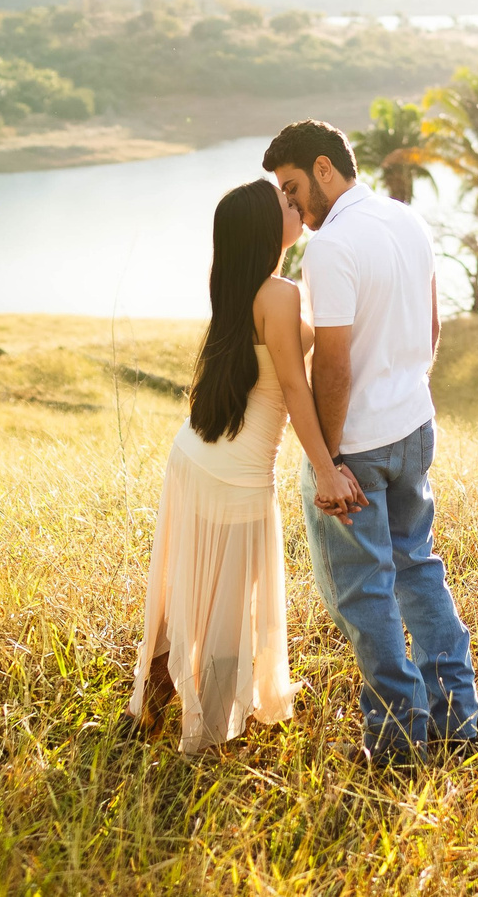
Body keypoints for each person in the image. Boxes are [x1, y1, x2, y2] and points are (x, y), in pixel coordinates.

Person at [267, 118, 478, 760]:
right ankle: (453, 717)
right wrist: (409, 389)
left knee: (364, 592)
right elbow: (433, 324)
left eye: (293, 187)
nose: (293, 207)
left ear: (325, 169)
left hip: (357, 445)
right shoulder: (407, 219)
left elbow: (331, 367)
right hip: (416, 426)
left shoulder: (330, 247)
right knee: (418, 567)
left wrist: (328, 458)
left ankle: (394, 735)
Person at [127, 177, 356, 752]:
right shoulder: (276, 295)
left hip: (197, 456)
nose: (295, 203)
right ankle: (209, 732)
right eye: (285, 201)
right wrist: (326, 468)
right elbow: (296, 392)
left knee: (189, 587)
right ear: (262, 228)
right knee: (230, 599)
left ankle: (156, 701)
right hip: (235, 474)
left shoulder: (243, 289)